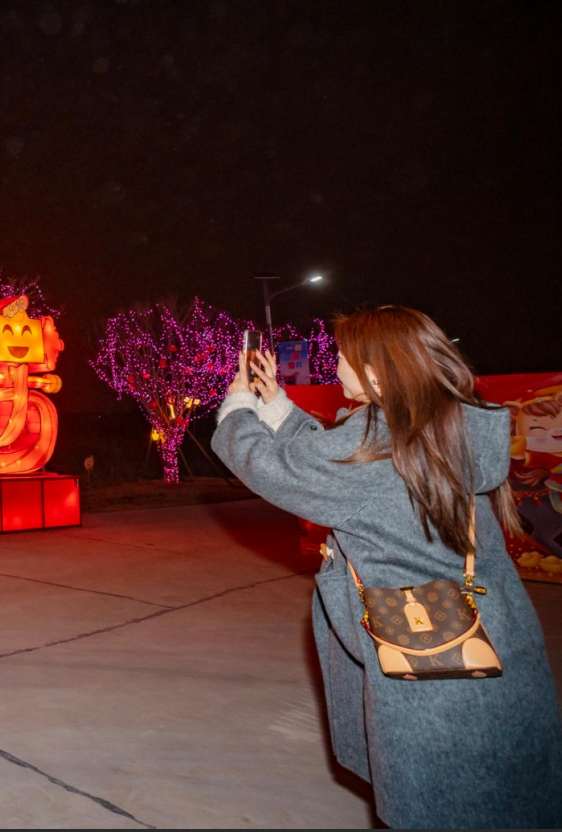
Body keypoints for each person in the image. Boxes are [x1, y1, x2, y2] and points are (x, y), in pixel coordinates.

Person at [211, 306, 562, 828]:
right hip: (494, 640)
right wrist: (280, 406)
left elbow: (278, 467)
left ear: (376, 372)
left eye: (343, 356)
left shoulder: (379, 442)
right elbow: (330, 459)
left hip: (432, 663)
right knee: (509, 800)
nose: (336, 365)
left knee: (444, 806)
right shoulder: (442, 422)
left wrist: (239, 407)